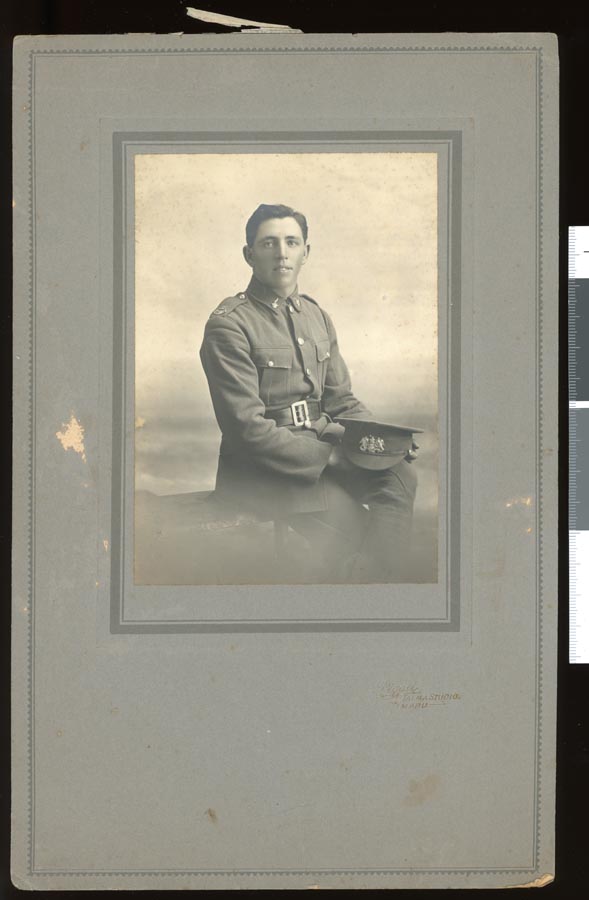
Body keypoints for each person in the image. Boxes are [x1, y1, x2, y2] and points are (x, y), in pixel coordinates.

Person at [199, 203, 418, 582]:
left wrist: (381, 441)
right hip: (261, 468)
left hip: (319, 447)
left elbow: (340, 399)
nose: (281, 253)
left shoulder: (316, 317)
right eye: (268, 243)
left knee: (400, 479)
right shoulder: (229, 325)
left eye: (291, 242)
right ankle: (369, 603)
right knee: (352, 526)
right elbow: (247, 428)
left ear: (306, 252)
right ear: (249, 254)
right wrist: (331, 457)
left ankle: (378, 597)